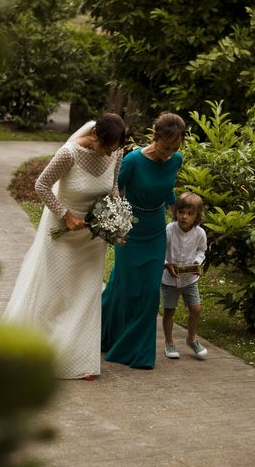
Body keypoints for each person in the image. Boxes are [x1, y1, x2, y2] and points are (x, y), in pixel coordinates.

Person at [2, 113, 126, 379]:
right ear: (94, 136)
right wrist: (65, 215)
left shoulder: (116, 152)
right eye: (106, 148)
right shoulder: (69, 153)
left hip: (93, 236)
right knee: (56, 292)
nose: (109, 155)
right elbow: (42, 185)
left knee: (86, 294)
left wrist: (116, 225)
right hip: (63, 232)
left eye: (114, 150)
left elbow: (113, 189)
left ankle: (80, 360)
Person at [101, 112, 186, 369]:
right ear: (155, 137)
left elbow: (167, 189)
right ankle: (101, 334)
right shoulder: (133, 160)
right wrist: (115, 226)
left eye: (175, 148)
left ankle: (135, 351)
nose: (170, 153)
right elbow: (112, 191)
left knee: (149, 293)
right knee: (124, 289)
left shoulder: (176, 160)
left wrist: (181, 214)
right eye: (166, 146)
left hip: (156, 231)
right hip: (130, 231)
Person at [161, 191, 208, 359]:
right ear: (175, 212)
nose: (184, 217)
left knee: (196, 309)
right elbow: (160, 251)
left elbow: (202, 250)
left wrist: (197, 262)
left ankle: (191, 339)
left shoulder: (200, 233)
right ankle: (169, 342)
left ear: (197, 216)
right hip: (169, 280)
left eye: (190, 213)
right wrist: (166, 264)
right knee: (169, 311)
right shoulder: (169, 230)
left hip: (190, 279)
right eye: (181, 212)